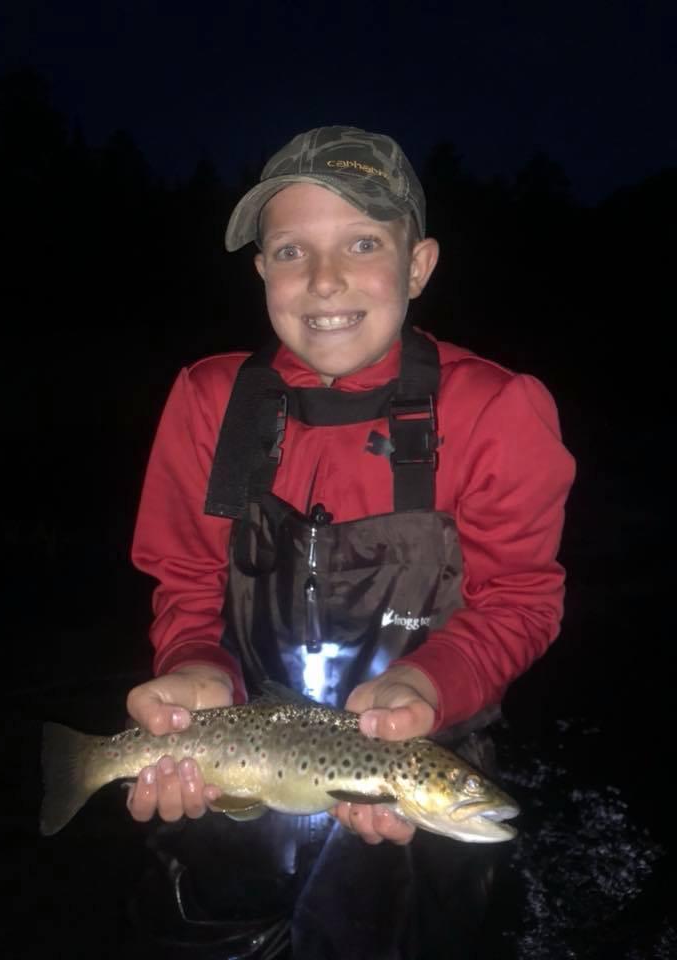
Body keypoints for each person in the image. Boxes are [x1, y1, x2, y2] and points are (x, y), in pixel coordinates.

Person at [124, 126, 576, 958]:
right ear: (262, 271)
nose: (324, 279)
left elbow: (520, 600)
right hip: (238, 761)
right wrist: (194, 667)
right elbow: (186, 579)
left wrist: (426, 684)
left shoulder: (496, 410)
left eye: (363, 243)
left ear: (418, 265)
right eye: (291, 249)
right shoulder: (210, 400)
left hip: (421, 760)